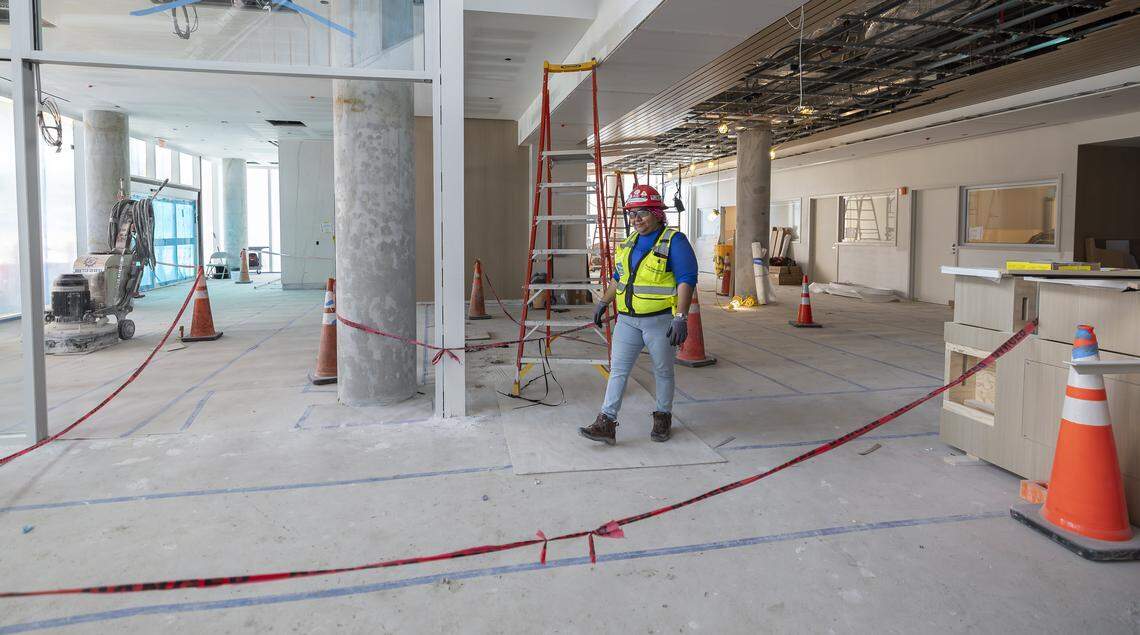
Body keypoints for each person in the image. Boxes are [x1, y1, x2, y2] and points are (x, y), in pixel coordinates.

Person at [579, 184, 698, 445]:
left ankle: (663, 417)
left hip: (659, 322)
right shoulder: (630, 242)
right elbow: (618, 278)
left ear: (657, 213)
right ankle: (606, 422)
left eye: (642, 213)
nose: (636, 220)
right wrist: (604, 302)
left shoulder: (674, 241)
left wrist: (681, 316)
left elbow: (686, 280)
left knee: (663, 371)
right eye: (632, 214)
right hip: (628, 321)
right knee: (618, 371)